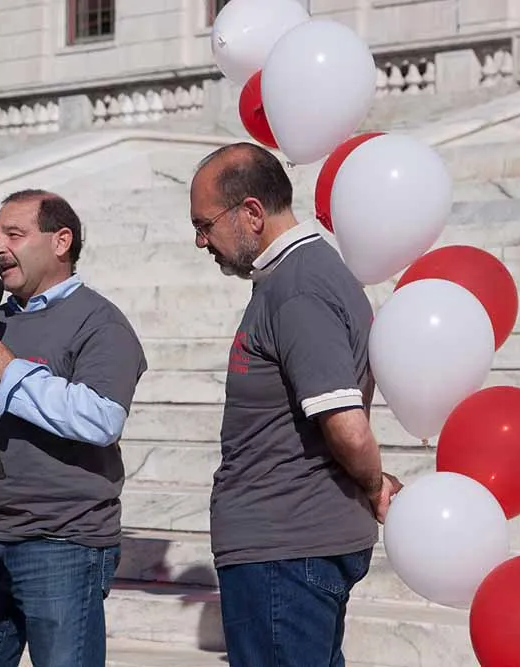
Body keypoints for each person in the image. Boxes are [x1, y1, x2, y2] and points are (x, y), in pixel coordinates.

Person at [189, 142, 403, 665]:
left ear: (252, 213)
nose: (200, 241)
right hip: (285, 548)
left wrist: (373, 485)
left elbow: (346, 425)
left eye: (205, 224)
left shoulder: (299, 286)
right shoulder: (291, 278)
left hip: (285, 551)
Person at [0, 189, 147, 667]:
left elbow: (101, 418)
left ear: (61, 241)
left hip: (64, 544)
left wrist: (10, 370)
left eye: (14, 234)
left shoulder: (101, 322)